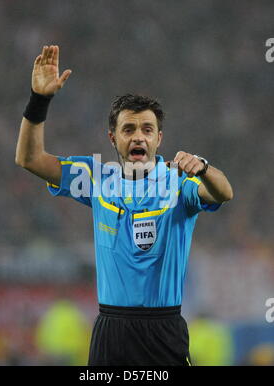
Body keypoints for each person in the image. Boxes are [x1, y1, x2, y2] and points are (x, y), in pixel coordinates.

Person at [15, 45, 233, 366]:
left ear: (159, 138)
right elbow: (29, 159)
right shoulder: (94, 177)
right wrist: (39, 99)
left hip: (164, 329)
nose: (138, 137)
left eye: (147, 130)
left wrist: (203, 167)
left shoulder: (178, 180)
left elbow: (223, 192)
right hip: (111, 331)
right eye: (128, 129)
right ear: (112, 138)